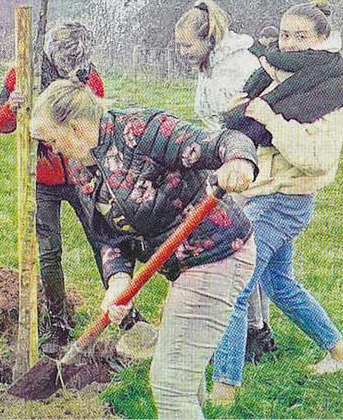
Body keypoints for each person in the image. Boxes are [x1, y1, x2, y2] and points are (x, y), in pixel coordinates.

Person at [30, 79, 259, 419]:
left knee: (169, 385)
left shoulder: (142, 132)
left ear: (75, 128)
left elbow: (222, 141)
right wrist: (118, 280)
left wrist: (239, 161)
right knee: (182, 376)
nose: (51, 148)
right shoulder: (81, 166)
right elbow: (108, 233)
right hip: (183, 266)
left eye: (51, 139)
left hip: (218, 254)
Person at [210, 0, 343, 406]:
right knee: (279, 284)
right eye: (286, 34)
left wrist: (268, 119)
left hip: (285, 199)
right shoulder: (278, 75)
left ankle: (223, 392)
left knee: (235, 286)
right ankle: (342, 357)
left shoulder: (330, 92)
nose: (290, 43)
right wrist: (242, 110)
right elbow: (251, 121)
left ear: (323, 39)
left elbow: (317, 158)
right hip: (265, 193)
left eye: (301, 36)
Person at [0, 22, 139, 358]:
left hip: (82, 176)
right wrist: (12, 107)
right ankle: (58, 324)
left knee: (104, 241)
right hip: (41, 178)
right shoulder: (22, 74)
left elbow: (98, 125)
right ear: (52, 55)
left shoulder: (90, 78)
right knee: (49, 251)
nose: (74, 70)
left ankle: (125, 312)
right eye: (68, 63)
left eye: (79, 64)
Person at [174, 0, 275, 362]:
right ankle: (250, 327)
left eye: (187, 45)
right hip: (221, 162)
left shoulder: (239, 66)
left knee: (244, 251)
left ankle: (256, 332)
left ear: (209, 38)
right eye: (179, 45)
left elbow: (254, 122)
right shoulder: (210, 66)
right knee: (242, 251)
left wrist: (233, 156)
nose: (182, 52)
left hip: (246, 168)